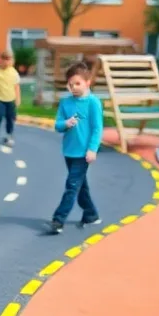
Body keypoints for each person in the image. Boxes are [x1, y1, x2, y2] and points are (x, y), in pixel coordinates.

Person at [49, 61, 103, 234]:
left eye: (77, 83)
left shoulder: (93, 103)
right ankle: (91, 214)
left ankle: (58, 219)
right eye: (70, 84)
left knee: (72, 185)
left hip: (83, 152)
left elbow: (97, 128)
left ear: (88, 82)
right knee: (80, 186)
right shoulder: (66, 103)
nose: (74, 87)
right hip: (69, 150)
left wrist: (92, 149)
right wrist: (65, 123)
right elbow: (57, 125)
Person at [0, 49, 20, 146]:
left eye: (9, 59)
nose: (6, 62)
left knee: (10, 119)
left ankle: (8, 135)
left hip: (11, 100)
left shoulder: (14, 73)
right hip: (0, 100)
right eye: (4, 59)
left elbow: (17, 87)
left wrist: (18, 99)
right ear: (0, 60)